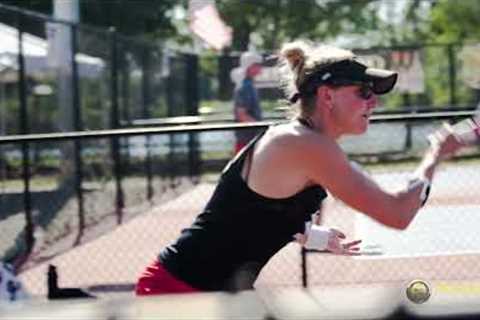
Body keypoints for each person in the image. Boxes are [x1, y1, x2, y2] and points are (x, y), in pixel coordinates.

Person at [136, 40, 464, 295]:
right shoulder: (306, 145)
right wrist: (435, 155)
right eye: (363, 92)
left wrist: (312, 235)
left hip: (207, 294)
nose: (373, 102)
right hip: (179, 293)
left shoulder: (300, 142)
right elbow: (397, 214)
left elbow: (250, 210)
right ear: (327, 95)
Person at [231, 51, 264, 154]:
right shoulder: (245, 87)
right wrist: (261, 127)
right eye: (257, 65)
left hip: (250, 138)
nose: (260, 68)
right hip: (246, 139)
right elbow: (241, 115)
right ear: (249, 66)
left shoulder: (249, 85)